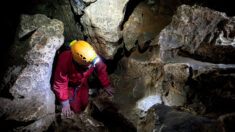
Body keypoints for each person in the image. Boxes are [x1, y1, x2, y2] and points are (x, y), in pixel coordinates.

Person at [53, 40, 115, 117]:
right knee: (75, 109)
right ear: (78, 62)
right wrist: (64, 102)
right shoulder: (64, 60)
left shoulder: (92, 57)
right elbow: (60, 83)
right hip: (69, 87)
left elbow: (101, 70)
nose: (91, 66)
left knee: (84, 103)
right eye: (87, 65)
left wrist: (106, 85)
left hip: (82, 83)